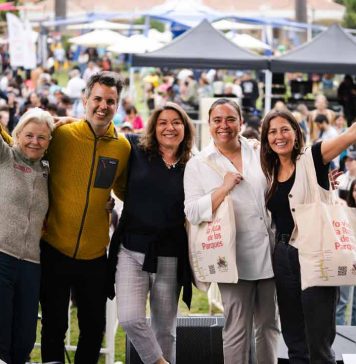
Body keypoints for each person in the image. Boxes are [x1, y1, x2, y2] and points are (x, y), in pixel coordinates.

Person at [40, 71, 131, 364]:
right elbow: (20, 146)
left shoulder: (123, 147)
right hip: (53, 247)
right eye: (97, 99)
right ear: (85, 99)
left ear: (117, 105)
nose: (103, 106)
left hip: (94, 256)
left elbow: (126, 189)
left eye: (110, 101)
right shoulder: (62, 135)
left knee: (93, 329)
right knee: (54, 326)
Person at [184, 98, 280, 364]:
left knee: (269, 326)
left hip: (269, 253)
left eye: (230, 119)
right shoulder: (199, 163)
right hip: (232, 258)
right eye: (217, 120)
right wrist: (223, 189)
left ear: (241, 122)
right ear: (209, 123)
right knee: (237, 329)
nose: (224, 125)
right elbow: (191, 211)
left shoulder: (258, 151)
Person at [260, 109, 356, 363]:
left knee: (318, 339)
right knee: (293, 338)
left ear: (296, 131)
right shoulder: (269, 170)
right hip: (283, 257)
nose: (278, 136)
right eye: (272, 131)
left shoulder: (313, 157)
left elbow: (350, 135)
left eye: (284, 129)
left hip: (316, 255)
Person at [108, 102, 194, 364]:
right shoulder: (135, 148)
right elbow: (104, 131)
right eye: (163, 122)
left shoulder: (194, 164)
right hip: (131, 250)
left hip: (170, 256)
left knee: (165, 330)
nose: (169, 127)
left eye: (176, 122)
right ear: (153, 126)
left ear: (185, 128)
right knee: (131, 318)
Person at [0, 108, 55, 364]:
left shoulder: (47, 169)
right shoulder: (5, 157)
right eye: (29, 135)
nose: (35, 141)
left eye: (42, 137)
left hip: (32, 264)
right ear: (17, 134)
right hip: (2, 257)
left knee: (24, 340)